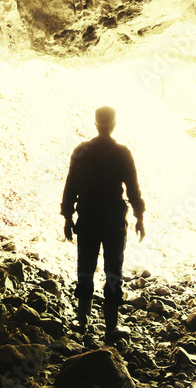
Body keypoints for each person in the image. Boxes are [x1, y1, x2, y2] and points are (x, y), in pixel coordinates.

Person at [61, 106, 145, 343]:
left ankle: (82, 320)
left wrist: (67, 217)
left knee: (85, 268)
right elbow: (133, 189)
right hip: (113, 222)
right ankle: (111, 327)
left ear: (95, 124)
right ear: (114, 124)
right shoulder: (122, 153)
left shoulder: (81, 151)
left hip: (88, 219)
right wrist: (139, 217)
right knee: (113, 272)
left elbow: (70, 185)